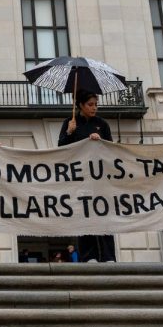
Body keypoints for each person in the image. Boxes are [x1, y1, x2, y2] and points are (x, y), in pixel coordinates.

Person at [58, 90, 116, 263]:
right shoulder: (70, 122)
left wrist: (101, 141)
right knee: (84, 214)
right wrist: (69, 133)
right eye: (90, 104)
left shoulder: (102, 124)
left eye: (96, 104)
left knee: (104, 213)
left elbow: (112, 149)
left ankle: (108, 255)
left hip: (100, 178)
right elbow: (60, 150)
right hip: (80, 179)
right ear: (80, 105)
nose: (94, 108)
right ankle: (88, 255)